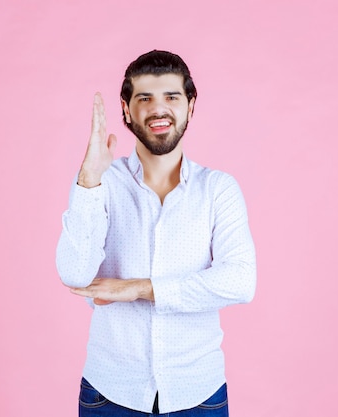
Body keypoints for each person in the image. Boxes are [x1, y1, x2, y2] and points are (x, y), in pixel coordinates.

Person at [56, 50, 256, 416]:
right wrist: (88, 180)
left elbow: (240, 281)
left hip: (198, 394)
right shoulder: (101, 183)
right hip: (109, 394)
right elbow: (73, 273)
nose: (158, 109)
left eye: (171, 97)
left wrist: (140, 288)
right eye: (144, 98)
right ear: (126, 109)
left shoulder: (218, 189)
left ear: (191, 106)